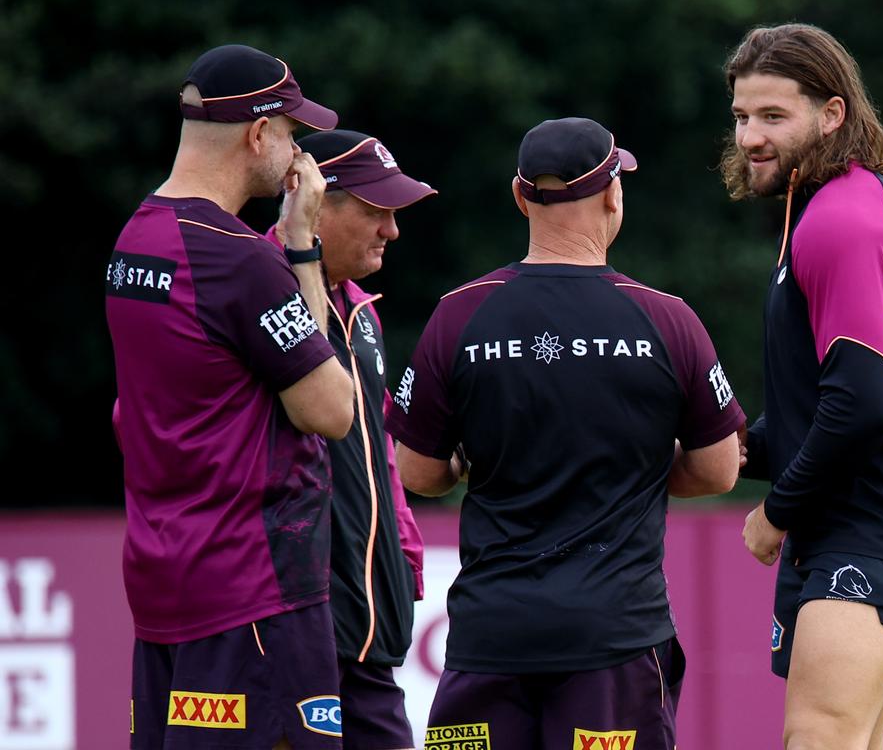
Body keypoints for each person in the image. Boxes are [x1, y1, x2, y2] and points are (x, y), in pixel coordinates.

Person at [385, 117, 745, 750]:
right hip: (616, 638)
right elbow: (719, 470)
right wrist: (641, 472)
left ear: (520, 197)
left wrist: (473, 464)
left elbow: (418, 473)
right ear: (613, 195)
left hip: (490, 636)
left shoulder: (458, 314)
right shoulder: (668, 319)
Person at [721, 24, 883, 750]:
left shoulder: (843, 220)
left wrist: (777, 509)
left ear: (832, 116)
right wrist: (727, 447)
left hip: (876, 528)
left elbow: (863, 404)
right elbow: (822, 402)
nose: (750, 137)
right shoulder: (825, 209)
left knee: (820, 740)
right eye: (741, 116)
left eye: (773, 116)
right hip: (857, 526)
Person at [106, 44, 354, 750]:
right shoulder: (240, 257)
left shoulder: (135, 240)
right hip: (256, 598)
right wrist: (302, 247)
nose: (299, 152)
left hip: (164, 589)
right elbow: (331, 410)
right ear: (258, 134)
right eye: (293, 134)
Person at [274, 129, 435, 750]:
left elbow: (378, 445)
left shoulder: (362, 309)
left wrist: (405, 551)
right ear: (313, 201)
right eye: (376, 211)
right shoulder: (262, 282)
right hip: (294, 615)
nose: (391, 230)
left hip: (369, 624)